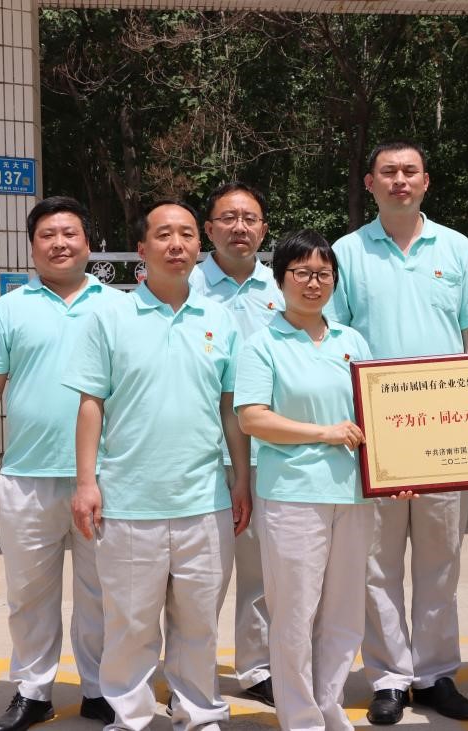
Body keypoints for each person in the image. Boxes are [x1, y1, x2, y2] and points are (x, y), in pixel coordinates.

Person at [327, 139, 468, 724]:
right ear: (370, 184)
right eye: (388, 172)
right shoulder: (347, 252)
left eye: (410, 171)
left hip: (445, 436)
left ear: (426, 182)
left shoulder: (457, 248)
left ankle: (433, 674)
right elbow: (334, 339)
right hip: (374, 436)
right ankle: (388, 677)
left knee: (440, 561)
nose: (399, 180)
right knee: (375, 564)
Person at [66, 199, 251, 731]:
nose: (177, 244)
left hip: (205, 500)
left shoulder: (220, 320)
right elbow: (91, 403)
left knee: (199, 621)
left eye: (187, 234)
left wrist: (242, 479)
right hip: (129, 501)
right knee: (130, 624)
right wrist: (86, 483)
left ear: (200, 245)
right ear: (141, 248)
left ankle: (199, 712)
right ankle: (132, 717)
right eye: (164, 234)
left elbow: (230, 408)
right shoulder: (110, 316)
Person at [0, 196, 121, 731]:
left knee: (103, 593)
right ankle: (33, 692)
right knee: (29, 594)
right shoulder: (9, 309)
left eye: (69, 233)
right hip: (27, 477)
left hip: (103, 477)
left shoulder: (118, 306)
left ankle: (101, 690)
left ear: (88, 242)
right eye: (47, 235)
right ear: (32, 247)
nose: (59, 243)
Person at [235, 230, 374, 730]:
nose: (313, 283)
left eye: (323, 274)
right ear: (280, 280)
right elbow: (252, 418)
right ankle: (301, 718)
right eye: (302, 273)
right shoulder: (262, 345)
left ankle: (330, 707)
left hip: (353, 495)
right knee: (294, 612)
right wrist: (324, 433)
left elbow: (376, 412)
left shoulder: (351, 341)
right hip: (293, 495)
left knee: (344, 611)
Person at [189, 181, 283, 707]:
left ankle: (257, 667)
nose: (239, 228)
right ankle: (192, 674)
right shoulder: (187, 285)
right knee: (200, 575)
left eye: (250, 218)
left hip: (269, 450)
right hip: (203, 452)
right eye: (228, 218)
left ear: (264, 229)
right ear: (209, 229)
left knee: (261, 571)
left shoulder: (283, 286)